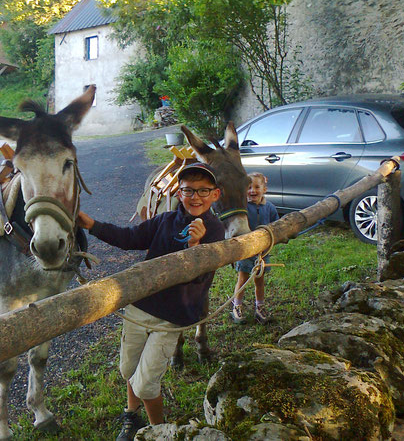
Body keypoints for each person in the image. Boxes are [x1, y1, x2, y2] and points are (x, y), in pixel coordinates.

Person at [77, 163, 225, 441]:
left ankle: (158, 431)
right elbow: (129, 238)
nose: (195, 197)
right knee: (127, 370)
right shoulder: (164, 220)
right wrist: (92, 225)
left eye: (203, 190)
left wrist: (196, 249)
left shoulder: (215, 231)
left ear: (215, 194)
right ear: (179, 193)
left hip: (173, 317)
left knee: (146, 385)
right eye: (188, 190)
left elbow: (200, 277)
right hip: (140, 305)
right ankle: (131, 415)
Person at [230, 172, 279, 325]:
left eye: (257, 187)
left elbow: (276, 225)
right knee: (243, 279)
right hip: (246, 251)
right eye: (249, 187)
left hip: (263, 252)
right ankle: (236, 306)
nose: (252, 191)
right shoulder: (242, 207)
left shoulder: (269, 207)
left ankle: (260, 307)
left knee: (260, 280)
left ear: (264, 189)